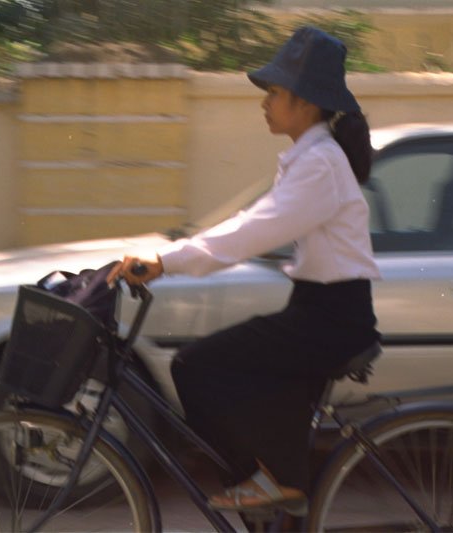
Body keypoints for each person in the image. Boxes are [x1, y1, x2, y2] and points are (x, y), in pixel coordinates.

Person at [108, 26, 380, 515]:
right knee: (241, 375)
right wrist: (172, 256)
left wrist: (167, 262)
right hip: (320, 310)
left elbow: (253, 232)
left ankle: (271, 484)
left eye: (274, 92)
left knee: (196, 365)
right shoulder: (310, 158)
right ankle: (272, 492)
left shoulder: (320, 163)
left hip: (331, 318)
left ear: (305, 102)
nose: (265, 102)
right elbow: (250, 222)